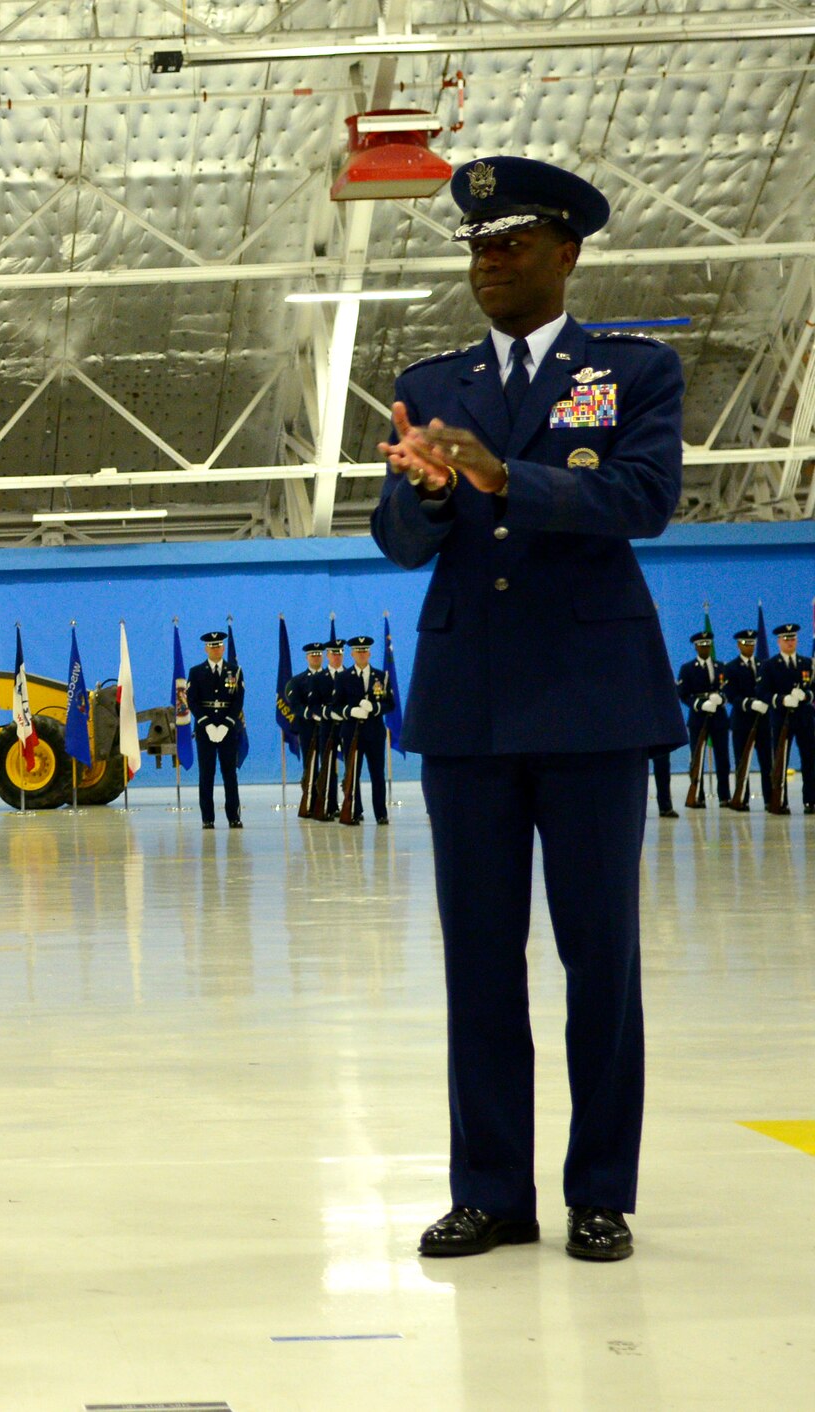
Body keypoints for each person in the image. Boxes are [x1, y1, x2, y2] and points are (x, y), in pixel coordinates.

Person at [373, 157, 685, 1264]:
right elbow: (395, 540)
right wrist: (422, 493)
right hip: (466, 709)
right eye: (474, 246)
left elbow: (642, 500)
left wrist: (506, 478)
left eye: (509, 243)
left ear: (566, 253)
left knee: (598, 957)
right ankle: (491, 1189)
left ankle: (598, 1187)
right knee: (477, 959)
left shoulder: (631, 370)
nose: (487, 261)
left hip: (591, 704)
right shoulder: (433, 376)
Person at [187, 631, 244, 830]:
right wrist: (207, 724)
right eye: (212, 646)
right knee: (206, 774)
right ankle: (207, 818)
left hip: (227, 730)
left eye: (219, 645)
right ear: (206, 648)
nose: (216, 649)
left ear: (223, 647)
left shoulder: (234, 671)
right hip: (206, 730)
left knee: (230, 774)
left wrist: (227, 724)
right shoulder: (196, 672)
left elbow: (238, 700)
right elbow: (192, 700)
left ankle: (233, 817)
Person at [332, 635, 391, 827]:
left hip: (375, 733)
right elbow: (336, 707)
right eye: (358, 651)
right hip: (351, 733)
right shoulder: (343, 677)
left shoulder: (381, 676)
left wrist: (375, 708)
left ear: (369, 653)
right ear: (352, 654)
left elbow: (390, 704)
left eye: (365, 650)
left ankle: (381, 813)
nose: (362, 654)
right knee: (352, 774)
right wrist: (351, 711)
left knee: (377, 775)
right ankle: (355, 811)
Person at [674, 630, 731, 808]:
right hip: (698, 717)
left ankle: (725, 796)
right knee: (697, 757)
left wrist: (721, 699)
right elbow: (682, 694)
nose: (705, 648)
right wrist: (699, 704)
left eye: (707, 645)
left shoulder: (721, 666)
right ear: (696, 647)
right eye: (701, 645)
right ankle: (697, 795)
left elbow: (728, 689)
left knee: (723, 758)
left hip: (718, 717)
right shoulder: (688, 668)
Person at [762, 623, 814, 815]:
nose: (790, 642)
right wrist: (782, 699)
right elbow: (763, 692)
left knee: (810, 760)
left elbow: (813, 689)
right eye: (786, 639)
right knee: (780, 760)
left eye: (792, 639)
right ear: (779, 642)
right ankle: (780, 800)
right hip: (781, 719)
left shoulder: (807, 663)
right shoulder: (770, 665)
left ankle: (811, 800)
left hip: (805, 719)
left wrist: (806, 696)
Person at [722, 628, 771, 811]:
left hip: (763, 720)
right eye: (745, 643)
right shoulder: (731, 667)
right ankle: (741, 798)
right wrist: (749, 703)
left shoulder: (763, 665)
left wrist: (766, 701)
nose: (749, 647)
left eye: (752, 643)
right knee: (742, 762)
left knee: (768, 762)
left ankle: (769, 800)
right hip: (742, 721)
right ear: (738, 645)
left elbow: (768, 687)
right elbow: (730, 694)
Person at [286, 642, 327, 818]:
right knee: (309, 767)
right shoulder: (297, 681)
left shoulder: (331, 678)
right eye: (313, 655)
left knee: (328, 766)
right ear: (307, 657)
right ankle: (309, 802)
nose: (316, 657)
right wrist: (310, 714)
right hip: (307, 729)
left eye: (319, 654)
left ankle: (327, 804)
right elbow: (294, 706)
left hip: (327, 728)